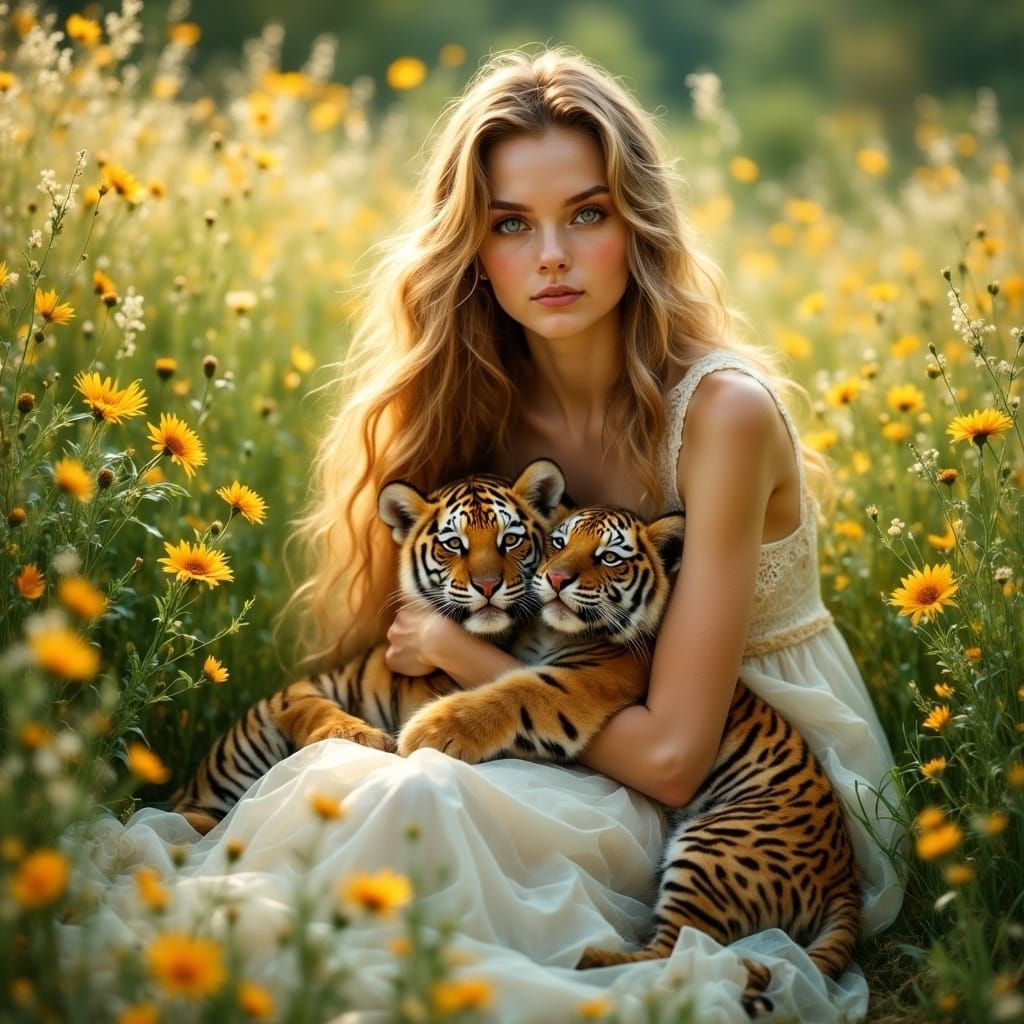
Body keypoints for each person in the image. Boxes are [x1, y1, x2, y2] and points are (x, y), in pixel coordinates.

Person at [90, 48, 902, 1023]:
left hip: (743, 786)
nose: (551, 255)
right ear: (472, 247)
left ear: (638, 224)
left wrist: (458, 652)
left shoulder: (721, 416)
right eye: (511, 223)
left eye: (587, 214)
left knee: (421, 802)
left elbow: (673, 756)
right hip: (562, 735)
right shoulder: (483, 409)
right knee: (367, 785)